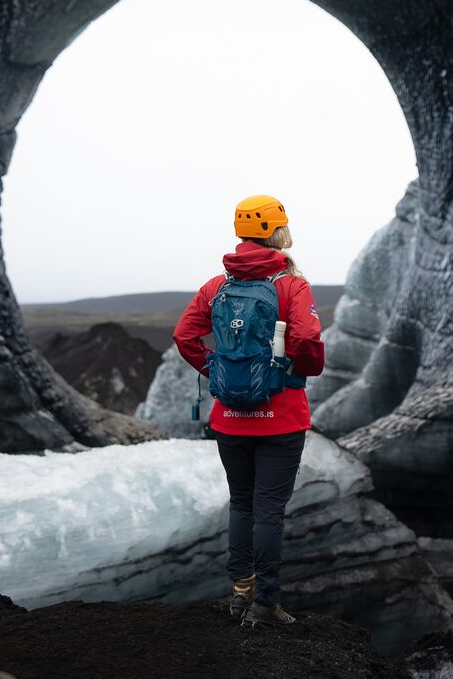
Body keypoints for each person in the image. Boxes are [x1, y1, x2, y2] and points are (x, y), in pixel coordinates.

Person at [174, 194, 326, 627]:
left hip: (229, 419)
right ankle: (266, 603)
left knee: (241, 504)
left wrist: (217, 371)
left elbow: (185, 335)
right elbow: (306, 341)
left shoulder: (217, 285)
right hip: (281, 418)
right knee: (269, 511)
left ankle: (240, 593)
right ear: (278, 232)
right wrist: (300, 371)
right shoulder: (291, 284)